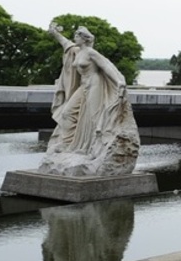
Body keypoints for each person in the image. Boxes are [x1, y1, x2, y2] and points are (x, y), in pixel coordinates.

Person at [40, 21, 140, 176]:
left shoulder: (91, 53)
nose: (74, 38)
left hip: (95, 85)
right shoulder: (76, 51)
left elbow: (106, 66)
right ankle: (68, 144)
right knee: (67, 113)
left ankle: (94, 148)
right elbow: (65, 43)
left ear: (84, 39)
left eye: (77, 36)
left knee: (94, 117)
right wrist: (55, 34)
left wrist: (119, 81)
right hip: (83, 86)